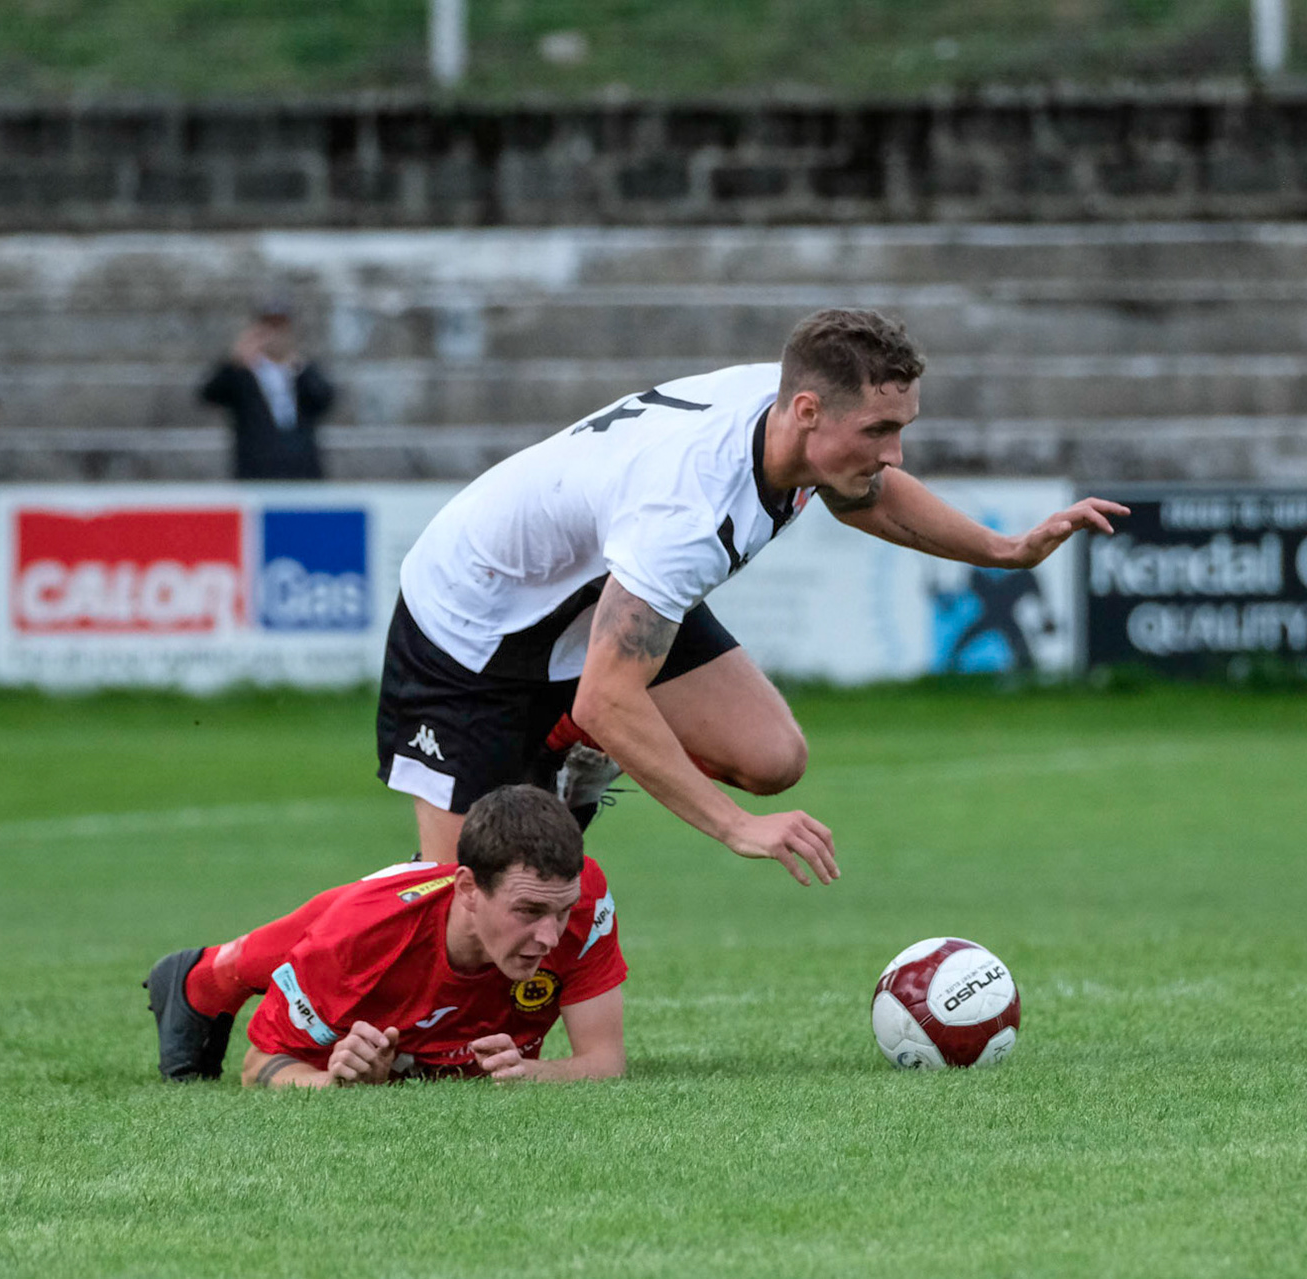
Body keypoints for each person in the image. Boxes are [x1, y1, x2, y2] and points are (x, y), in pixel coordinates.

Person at [375, 308, 1130, 877]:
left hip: (599, 591)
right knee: (459, 909)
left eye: (901, 426)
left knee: (771, 755)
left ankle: (569, 755)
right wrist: (737, 827)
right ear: (808, 411)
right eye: (878, 429)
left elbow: (868, 493)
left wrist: (1006, 549)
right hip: (472, 628)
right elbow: (608, 695)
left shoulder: (791, 424)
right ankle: (262, 963)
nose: (893, 452)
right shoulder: (690, 511)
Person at [144, 784, 626, 1086]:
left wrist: (538, 1074)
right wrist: (334, 1083)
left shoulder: (582, 900)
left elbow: (605, 1061)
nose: (549, 935)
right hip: (375, 918)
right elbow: (261, 1066)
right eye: (529, 911)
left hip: (407, 912)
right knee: (329, 934)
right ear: (469, 889)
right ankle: (204, 979)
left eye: (560, 911)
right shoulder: (359, 939)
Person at [199, 300, 335, 480]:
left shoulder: (302, 370)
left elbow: (324, 399)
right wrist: (234, 362)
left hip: (303, 475)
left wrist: (299, 367)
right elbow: (209, 395)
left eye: (281, 327)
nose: (275, 334)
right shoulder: (242, 373)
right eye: (269, 327)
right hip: (257, 475)